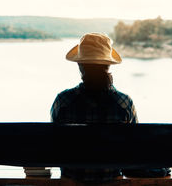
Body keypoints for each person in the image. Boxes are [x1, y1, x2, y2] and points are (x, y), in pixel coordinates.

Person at [50, 33, 138, 182]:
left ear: (80, 65)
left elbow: (53, 142)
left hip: (72, 180)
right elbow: (134, 144)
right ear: (108, 65)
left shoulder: (63, 101)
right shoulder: (124, 103)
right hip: (111, 180)